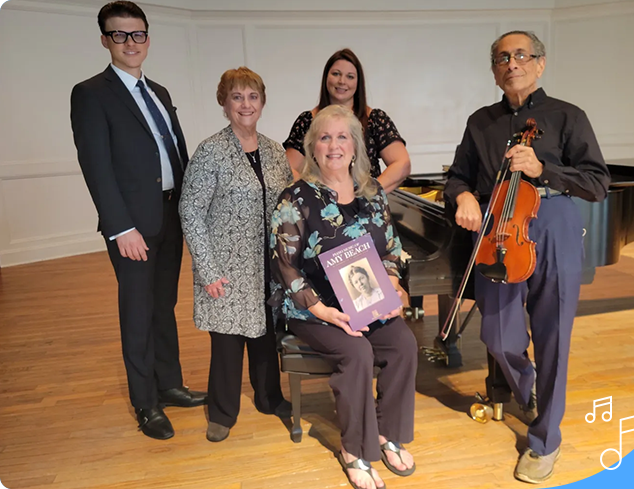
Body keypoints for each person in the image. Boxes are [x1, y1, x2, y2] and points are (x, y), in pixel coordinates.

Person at [444, 31, 611, 483]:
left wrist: (543, 169)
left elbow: (597, 183)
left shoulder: (567, 116)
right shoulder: (480, 122)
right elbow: (458, 176)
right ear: (494, 70)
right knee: (497, 336)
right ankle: (529, 386)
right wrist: (463, 197)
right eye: (502, 57)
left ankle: (544, 442)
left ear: (540, 63)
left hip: (552, 224)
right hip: (499, 231)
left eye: (521, 55)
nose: (511, 63)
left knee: (553, 335)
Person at [70, 1, 206, 441]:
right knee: (137, 311)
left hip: (170, 214)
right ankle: (145, 403)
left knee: (163, 305)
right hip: (132, 225)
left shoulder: (159, 92)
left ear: (147, 37)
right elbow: (96, 166)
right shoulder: (91, 93)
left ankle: (169, 384)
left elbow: (173, 155)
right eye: (120, 35)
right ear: (105, 39)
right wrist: (119, 227)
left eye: (138, 34)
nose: (131, 43)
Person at [271, 105, 417, 489]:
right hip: (313, 308)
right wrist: (324, 311)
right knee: (356, 353)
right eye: (324, 137)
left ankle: (387, 432)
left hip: (366, 300)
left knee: (403, 342)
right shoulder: (295, 198)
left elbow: (390, 249)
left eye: (342, 136)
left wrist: (393, 283)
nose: (333, 145)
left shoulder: (373, 193)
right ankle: (353, 448)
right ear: (313, 148)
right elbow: (284, 266)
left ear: (355, 146)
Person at [179, 67, 293, 443]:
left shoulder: (276, 151)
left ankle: (269, 398)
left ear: (262, 101)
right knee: (227, 342)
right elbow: (190, 211)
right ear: (224, 103)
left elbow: (287, 205)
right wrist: (208, 270)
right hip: (227, 266)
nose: (246, 104)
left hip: (269, 265)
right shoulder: (210, 151)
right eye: (237, 97)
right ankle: (223, 412)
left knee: (265, 336)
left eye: (252, 96)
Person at [283, 48, 411, 193]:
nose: (342, 81)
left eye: (350, 76)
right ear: (326, 77)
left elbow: (402, 163)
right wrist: (315, 199)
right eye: (336, 74)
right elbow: (289, 170)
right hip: (322, 211)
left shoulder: (375, 119)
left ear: (358, 82)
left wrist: (368, 196)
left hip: (365, 208)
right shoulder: (307, 121)